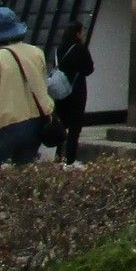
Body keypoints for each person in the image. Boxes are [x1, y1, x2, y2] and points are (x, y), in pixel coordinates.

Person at [0, 5, 57, 169]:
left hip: (6, 128)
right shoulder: (36, 53)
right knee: (23, 174)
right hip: (36, 124)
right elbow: (43, 87)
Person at [49, 21, 93, 165]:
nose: (84, 35)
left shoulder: (58, 49)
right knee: (74, 128)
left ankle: (57, 158)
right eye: (82, 32)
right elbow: (89, 69)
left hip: (60, 90)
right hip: (76, 90)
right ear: (77, 34)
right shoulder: (80, 49)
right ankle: (70, 160)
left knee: (61, 124)